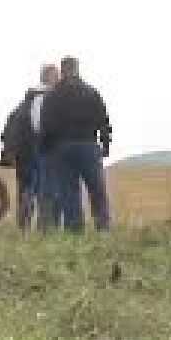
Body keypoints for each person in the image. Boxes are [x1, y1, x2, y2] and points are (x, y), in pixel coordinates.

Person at [36, 56, 113, 232]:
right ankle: (103, 228)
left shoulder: (52, 96)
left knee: (70, 194)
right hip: (89, 146)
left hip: (63, 149)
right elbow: (104, 121)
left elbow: (45, 126)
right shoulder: (91, 92)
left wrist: (46, 150)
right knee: (97, 189)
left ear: (62, 71)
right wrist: (105, 145)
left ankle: (75, 233)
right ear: (77, 69)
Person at [0, 64, 59, 231]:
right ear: (48, 78)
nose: (59, 79)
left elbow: (7, 130)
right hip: (41, 151)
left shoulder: (25, 102)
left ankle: (24, 226)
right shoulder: (47, 99)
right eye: (56, 76)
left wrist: (10, 152)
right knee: (45, 190)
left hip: (24, 154)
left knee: (27, 189)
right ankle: (44, 229)